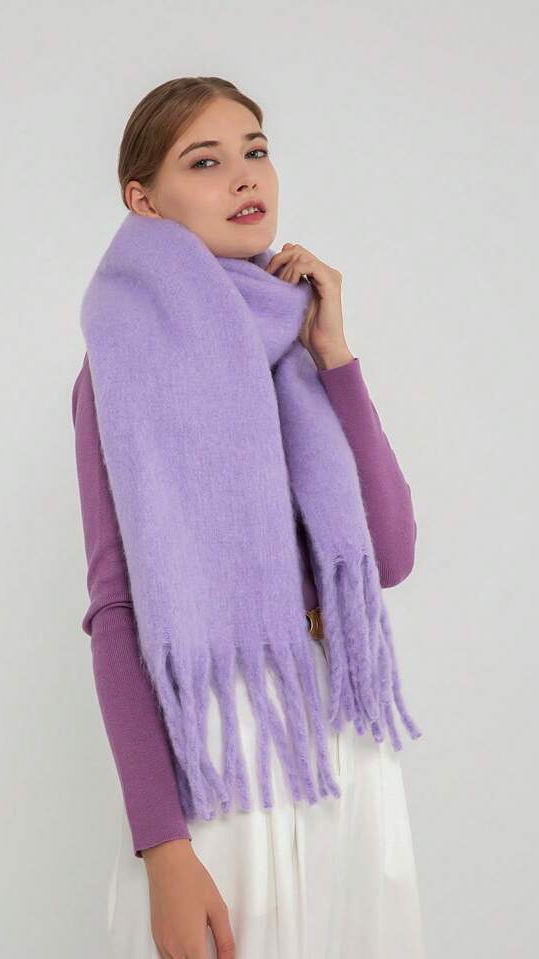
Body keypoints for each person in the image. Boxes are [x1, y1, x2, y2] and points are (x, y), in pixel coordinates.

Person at [72, 76, 426, 958]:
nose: (245, 176)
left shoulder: (300, 346)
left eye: (256, 151)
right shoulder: (121, 367)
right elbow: (116, 608)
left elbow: (388, 555)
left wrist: (336, 357)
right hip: (226, 752)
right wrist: (163, 847)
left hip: (344, 737)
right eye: (206, 161)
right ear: (143, 201)